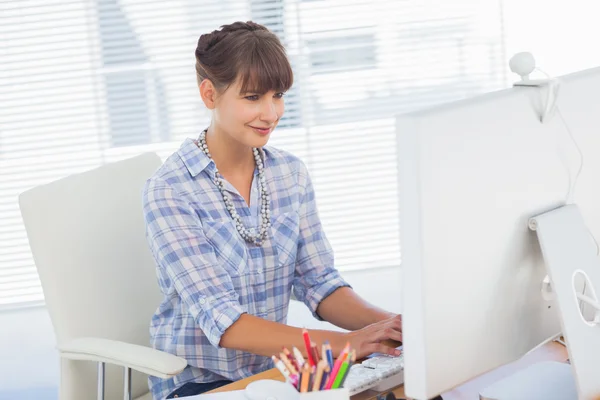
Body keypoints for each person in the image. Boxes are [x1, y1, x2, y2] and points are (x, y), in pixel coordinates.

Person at [142, 21, 402, 400]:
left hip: (281, 370)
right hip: (200, 382)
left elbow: (320, 283)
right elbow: (225, 323)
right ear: (209, 94)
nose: (270, 113)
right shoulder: (169, 191)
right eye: (252, 97)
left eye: (277, 95)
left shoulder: (289, 174)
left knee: (400, 385)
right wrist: (348, 345)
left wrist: (392, 326)